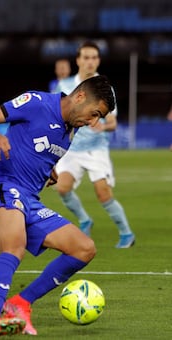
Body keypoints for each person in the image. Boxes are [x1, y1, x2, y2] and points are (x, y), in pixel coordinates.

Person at [0, 75, 115, 339]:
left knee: (84, 248)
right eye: (95, 114)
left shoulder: (72, 129)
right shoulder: (36, 102)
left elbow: (36, 147)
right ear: (80, 96)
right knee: (14, 246)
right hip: (2, 186)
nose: (94, 122)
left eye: (99, 118)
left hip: (30, 200)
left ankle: (20, 303)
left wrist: (49, 169)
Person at [53, 41, 135, 248]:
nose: (90, 62)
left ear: (98, 61)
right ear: (79, 60)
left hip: (96, 149)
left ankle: (127, 233)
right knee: (62, 188)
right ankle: (84, 219)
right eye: (86, 57)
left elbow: (113, 122)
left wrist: (104, 126)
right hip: (70, 149)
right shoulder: (63, 87)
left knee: (103, 193)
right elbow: (56, 118)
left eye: (94, 58)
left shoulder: (105, 88)